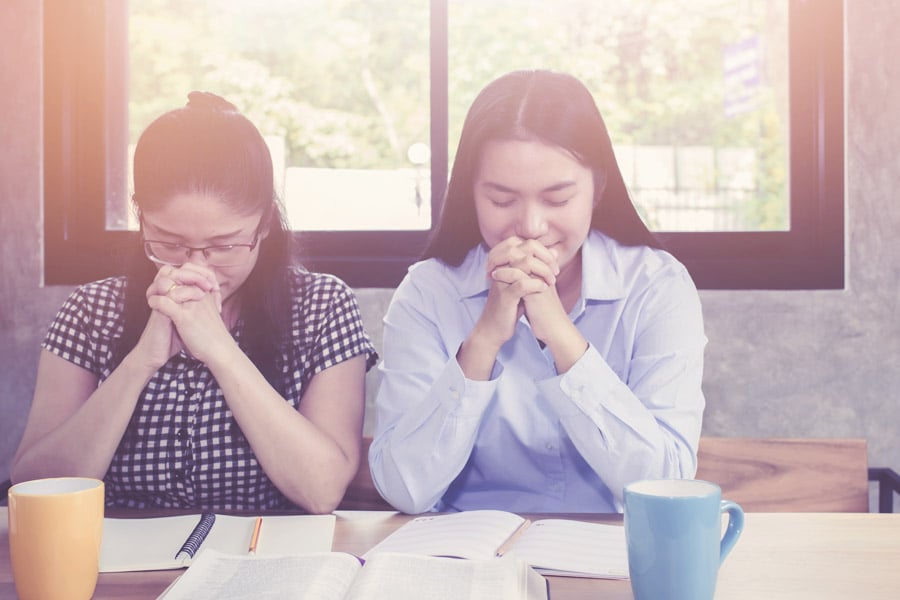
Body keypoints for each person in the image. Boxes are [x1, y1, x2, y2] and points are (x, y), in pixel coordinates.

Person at [11, 92, 377, 513]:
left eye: (224, 246)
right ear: (141, 217)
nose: (196, 267)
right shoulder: (91, 311)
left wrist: (220, 350)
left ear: (265, 226)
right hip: (117, 563)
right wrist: (140, 363)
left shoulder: (323, 306)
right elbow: (35, 488)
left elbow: (322, 489)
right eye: (169, 243)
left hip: (263, 557)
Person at [369, 70, 706, 514]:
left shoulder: (656, 286)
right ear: (471, 193)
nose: (530, 227)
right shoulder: (429, 290)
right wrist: (484, 339)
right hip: (469, 557)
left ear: (598, 188)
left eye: (558, 199)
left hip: (605, 557)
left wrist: (560, 335)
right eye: (502, 200)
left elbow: (666, 484)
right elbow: (403, 489)